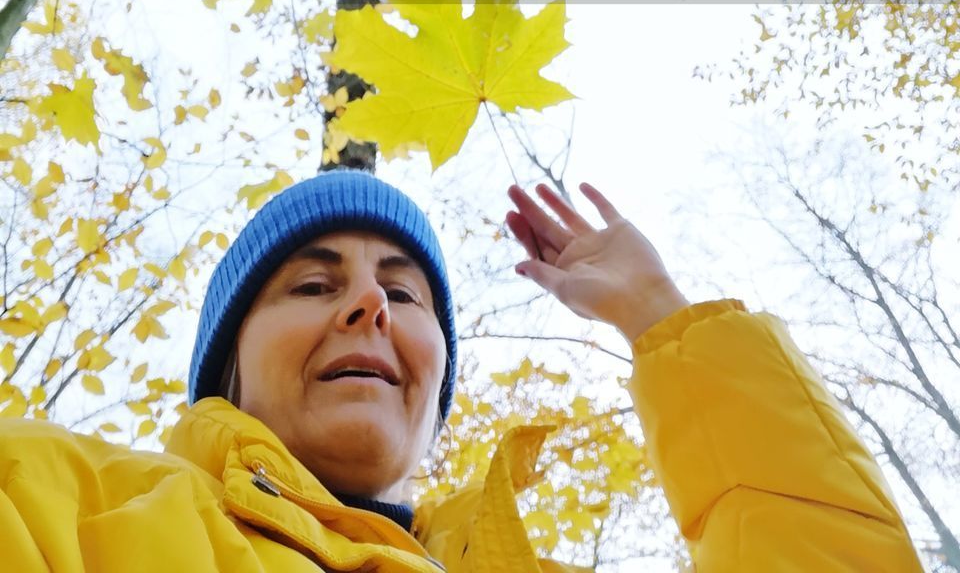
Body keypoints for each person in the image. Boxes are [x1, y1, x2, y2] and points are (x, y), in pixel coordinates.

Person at [0, 167, 925, 572]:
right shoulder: (62, 504)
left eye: (404, 297)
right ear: (224, 370)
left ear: (435, 384)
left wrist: (664, 322)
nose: (369, 305)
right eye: (314, 282)